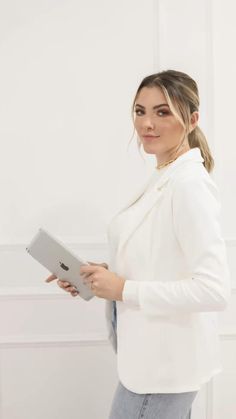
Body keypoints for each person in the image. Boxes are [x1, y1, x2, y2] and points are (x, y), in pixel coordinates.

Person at [45, 70, 231, 419]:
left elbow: (214, 290)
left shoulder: (189, 185)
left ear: (192, 120)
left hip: (162, 371)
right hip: (148, 362)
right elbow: (159, 258)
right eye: (140, 111)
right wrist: (100, 277)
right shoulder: (166, 177)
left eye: (162, 112)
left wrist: (124, 289)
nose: (147, 123)